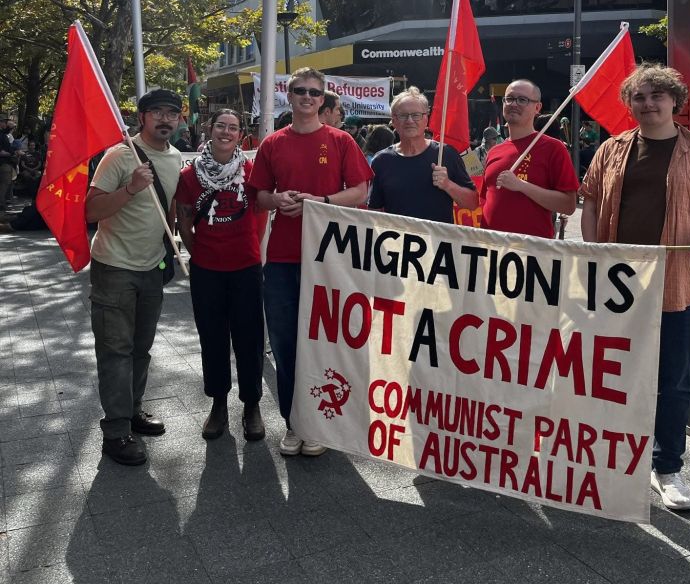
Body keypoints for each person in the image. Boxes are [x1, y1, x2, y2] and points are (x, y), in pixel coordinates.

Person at [581, 63, 690, 511]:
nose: (649, 104)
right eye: (639, 97)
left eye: (657, 96)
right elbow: (591, 203)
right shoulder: (611, 150)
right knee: (613, 374)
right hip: (619, 284)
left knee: (672, 381)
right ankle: (612, 455)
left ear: (675, 100)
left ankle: (666, 467)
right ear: (629, 104)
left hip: (680, 285)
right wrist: (595, 254)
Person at [249, 67, 372, 457]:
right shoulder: (272, 144)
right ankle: (294, 422)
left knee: (323, 344)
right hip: (283, 259)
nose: (306, 97)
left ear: (324, 98)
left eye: (314, 92)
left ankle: (319, 423)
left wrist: (322, 203)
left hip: (329, 260)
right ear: (289, 94)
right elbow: (259, 196)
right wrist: (278, 200)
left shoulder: (341, 141)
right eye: (299, 90)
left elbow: (360, 191)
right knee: (285, 345)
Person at [85, 88, 182, 466]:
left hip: (152, 267)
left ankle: (133, 410)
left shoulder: (175, 158)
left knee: (140, 348)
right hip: (114, 267)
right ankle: (115, 431)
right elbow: (91, 210)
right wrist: (129, 188)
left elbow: (169, 208)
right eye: (156, 112)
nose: (165, 119)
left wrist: (171, 248)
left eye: (171, 113)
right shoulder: (119, 155)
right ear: (142, 117)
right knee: (115, 351)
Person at [176, 109, 267, 442]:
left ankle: (252, 404)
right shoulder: (189, 176)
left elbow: (261, 212)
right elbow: (184, 220)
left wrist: (254, 250)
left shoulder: (251, 169)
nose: (226, 132)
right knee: (212, 338)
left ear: (240, 134)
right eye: (221, 126)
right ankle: (218, 404)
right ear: (209, 129)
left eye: (233, 128)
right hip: (207, 269)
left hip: (245, 267)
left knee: (250, 338)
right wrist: (198, 253)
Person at [480, 79, 578, 238]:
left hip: (532, 253)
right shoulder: (494, 151)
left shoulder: (554, 148)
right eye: (509, 99)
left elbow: (568, 205)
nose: (513, 104)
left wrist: (521, 185)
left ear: (537, 107)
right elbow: (485, 200)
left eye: (522, 100)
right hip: (491, 250)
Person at [369, 87, 476, 223]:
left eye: (416, 115)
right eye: (403, 115)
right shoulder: (381, 161)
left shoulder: (446, 154)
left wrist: (448, 185)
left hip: (438, 242)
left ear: (426, 119)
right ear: (393, 121)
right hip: (397, 242)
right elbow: (374, 212)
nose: (409, 121)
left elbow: (472, 203)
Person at [0, 115, 17, 215]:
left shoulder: (3, 133)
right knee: (4, 184)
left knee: (5, 184)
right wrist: (10, 153)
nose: (6, 124)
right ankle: (1, 205)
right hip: (3, 163)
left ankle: (3, 204)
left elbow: (11, 127)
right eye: (4, 122)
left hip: (5, 163)